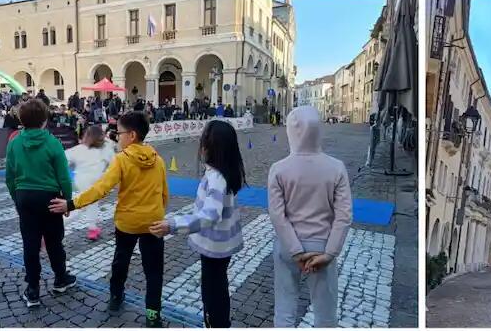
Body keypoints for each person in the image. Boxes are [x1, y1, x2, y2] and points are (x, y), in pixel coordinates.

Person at [50, 111, 167, 327]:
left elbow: (101, 188)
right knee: (154, 271)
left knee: (120, 262)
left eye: (119, 133)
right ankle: (153, 313)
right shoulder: (158, 159)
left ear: (131, 135)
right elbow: (164, 194)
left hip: (128, 223)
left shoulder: (122, 160)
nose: (116, 137)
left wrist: (71, 203)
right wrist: (157, 213)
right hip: (154, 222)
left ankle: (115, 297)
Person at [149, 120, 246, 328]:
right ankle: (217, 321)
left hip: (215, 246)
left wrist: (173, 225)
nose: (200, 146)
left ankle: (216, 323)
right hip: (220, 244)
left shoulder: (217, 178)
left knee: (213, 292)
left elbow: (210, 215)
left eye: (204, 141)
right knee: (216, 287)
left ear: (212, 148)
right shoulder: (221, 172)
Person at [267, 106, 352, 328]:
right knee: (325, 314)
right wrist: (330, 252)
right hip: (323, 247)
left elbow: (278, 215)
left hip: (288, 247)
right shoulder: (337, 168)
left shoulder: (278, 169)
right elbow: (344, 215)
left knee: (284, 309)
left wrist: (296, 250)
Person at [5, 98, 78, 307]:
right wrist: (67, 200)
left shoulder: (14, 143)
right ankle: (60, 278)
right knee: (55, 241)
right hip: (50, 197)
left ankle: (33, 289)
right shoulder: (52, 142)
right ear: (45, 120)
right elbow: (64, 175)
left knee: (30, 244)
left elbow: (9, 176)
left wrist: (16, 197)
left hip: (24, 195)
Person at [64, 124, 115, 241]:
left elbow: (63, 158)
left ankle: (93, 228)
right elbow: (114, 164)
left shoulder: (79, 149)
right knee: (81, 206)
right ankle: (57, 226)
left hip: (81, 180)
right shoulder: (106, 148)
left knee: (91, 203)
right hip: (96, 181)